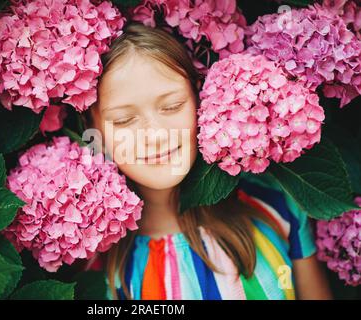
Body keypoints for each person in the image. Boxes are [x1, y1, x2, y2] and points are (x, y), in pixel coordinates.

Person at [81, 23, 332, 300]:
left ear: (199, 97)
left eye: (172, 106)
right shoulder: (92, 261)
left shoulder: (275, 203)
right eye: (123, 120)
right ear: (92, 127)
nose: (154, 136)